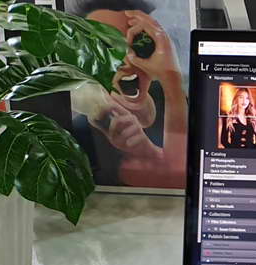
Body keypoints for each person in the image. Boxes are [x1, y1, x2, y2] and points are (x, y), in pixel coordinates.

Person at [68, 0, 188, 188]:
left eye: (138, 44)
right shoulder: (81, 133)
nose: (126, 61)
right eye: (107, 48)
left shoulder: (174, 99)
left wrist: (171, 79)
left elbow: (190, 181)